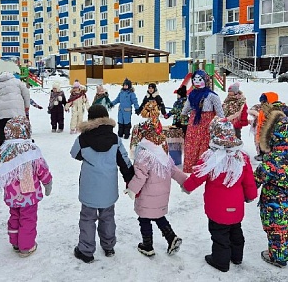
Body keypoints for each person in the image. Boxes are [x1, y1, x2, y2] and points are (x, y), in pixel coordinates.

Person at [182, 118, 257, 272]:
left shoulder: (211, 156)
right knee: (236, 231)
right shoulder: (241, 157)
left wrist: (187, 187)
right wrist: (250, 195)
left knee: (219, 234)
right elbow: (249, 181)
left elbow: (198, 175)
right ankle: (236, 257)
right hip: (236, 206)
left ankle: (220, 261)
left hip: (216, 207)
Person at [70, 104, 134, 263]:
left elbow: (75, 154)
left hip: (89, 188)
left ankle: (85, 251)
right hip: (108, 187)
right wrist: (130, 178)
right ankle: (108, 246)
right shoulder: (114, 139)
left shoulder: (83, 138)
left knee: (87, 218)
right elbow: (124, 161)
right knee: (108, 216)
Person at [125, 118, 187, 257]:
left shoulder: (144, 153)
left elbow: (140, 176)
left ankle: (147, 246)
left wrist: (132, 190)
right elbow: (174, 170)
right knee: (159, 216)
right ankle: (171, 238)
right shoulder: (163, 151)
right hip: (162, 195)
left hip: (148, 195)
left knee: (144, 219)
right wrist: (185, 182)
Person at [0, 116, 52, 257]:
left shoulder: (3, 151)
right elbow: (41, 168)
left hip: (11, 194)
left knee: (14, 216)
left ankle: (15, 242)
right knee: (28, 219)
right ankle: (26, 246)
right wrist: (47, 182)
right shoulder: (31, 149)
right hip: (29, 196)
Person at [254, 105, 288, 268]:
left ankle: (278, 257)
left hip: (275, 202)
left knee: (277, 229)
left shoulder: (274, 158)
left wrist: (249, 187)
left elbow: (259, 176)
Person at [181, 70, 224, 173]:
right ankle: (191, 166)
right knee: (192, 143)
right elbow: (187, 106)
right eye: (194, 79)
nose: (196, 81)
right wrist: (183, 113)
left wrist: (222, 121)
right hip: (194, 121)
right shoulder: (192, 94)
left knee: (204, 144)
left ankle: (203, 168)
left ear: (205, 80)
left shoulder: (212, 95)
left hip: (207, 122)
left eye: (199, 79)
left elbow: (219, 111)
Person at [0, 72, 30, 152]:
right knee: (19, 129)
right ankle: (21, 148)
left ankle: (0, 149)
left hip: (3, 113)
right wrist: (26, 106)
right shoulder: (18, 82)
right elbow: (26, 94)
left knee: (2, 130)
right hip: (17, 111)